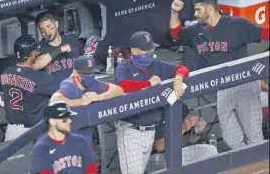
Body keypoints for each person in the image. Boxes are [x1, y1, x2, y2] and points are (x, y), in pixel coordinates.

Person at [169, 0, 269, 150]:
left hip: (244, 86)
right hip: (222, 91)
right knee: (232, 140)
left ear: (209, 9)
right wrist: (174, 12)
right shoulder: (195, 31)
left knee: (254, 136)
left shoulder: (237, 24)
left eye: (198, 10)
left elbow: (264, 33)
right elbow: (175, 33)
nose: (195, 14)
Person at [114, 31, 190, 174]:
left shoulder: (156, 65)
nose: (150, 52)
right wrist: (149, 83)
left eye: (151, 49)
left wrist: (178, 78)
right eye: (146, 50)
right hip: (131, 131)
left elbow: (182, 68)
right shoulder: (124, 68)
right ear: (134, 51)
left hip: (151, 131)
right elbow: (122, 85)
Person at [50, 55, 124, 145]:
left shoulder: (93, 84)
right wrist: (81, 101)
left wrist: (99, 97)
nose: (90, 76)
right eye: (86, 74)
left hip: (85, 141)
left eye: (92, 73)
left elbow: (118, 90)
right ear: (76, 73)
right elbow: (54, 100)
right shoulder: (69, 85)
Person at [0, 35, 60, 141]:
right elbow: (65, 87)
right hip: (33, 132)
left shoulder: (5, 74)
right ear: (32, 54)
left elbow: (22, 74)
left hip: (12, 132)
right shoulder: (40, 78)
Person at [146, 103, 218, 173]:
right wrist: (182, 129)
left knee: (211, 150)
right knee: (176, 164)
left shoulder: (179, 104)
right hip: (154, 160)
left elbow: (190, 140)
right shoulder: (157, 112)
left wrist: (196, 132)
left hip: (176, 154)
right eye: (187, 117)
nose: (189, 117)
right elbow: (159, 146)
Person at [32, 101, 98, 174]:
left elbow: (91, 168)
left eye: (69, 117)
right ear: (52, 121)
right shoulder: (42, 148)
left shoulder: (80, 140)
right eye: (64, 119)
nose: (69, 121)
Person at [32, 11, 98, 83]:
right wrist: (60, 49)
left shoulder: (72, 41)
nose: (47, 32)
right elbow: (34, 66)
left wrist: (89, 53)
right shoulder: (40, 48)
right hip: (56, 91)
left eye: (49, 27)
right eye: (42, 30)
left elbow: (85, 63)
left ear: (56, 24)